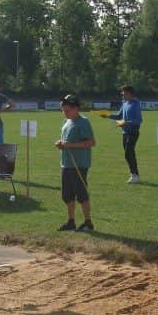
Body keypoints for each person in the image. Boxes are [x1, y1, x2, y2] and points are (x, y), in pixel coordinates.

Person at [55, 94, 95, 232]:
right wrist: (61, 144)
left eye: (67, 110)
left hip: (79, 164)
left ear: (76, 109)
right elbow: (66, 141)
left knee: (81, 194)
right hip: (66, 164)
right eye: (63, 110)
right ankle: (71, 221)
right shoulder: (66, 122)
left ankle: (88, 222)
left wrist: (70, 145)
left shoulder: (83, 122)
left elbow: (91, 142)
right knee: (67, 195)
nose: (64, 113)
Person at [100, 85, 142, 183]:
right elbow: (119, 116)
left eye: (124, 93)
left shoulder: (136, 104)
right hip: (124, 132)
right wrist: (107, 115)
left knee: (128, 153)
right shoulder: (124, 104)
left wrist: (126, 122)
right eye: (122, 93)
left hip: (133, 132)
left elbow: (139, 120)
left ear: (130, 93)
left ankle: (134, 175)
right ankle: (134, 175)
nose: (122, 95)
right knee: (129, 154)